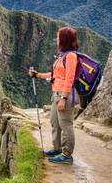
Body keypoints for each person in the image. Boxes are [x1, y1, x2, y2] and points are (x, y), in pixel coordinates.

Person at [28, 27, 78, 165]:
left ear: (64, 39)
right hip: (56, 94)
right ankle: (57, 149)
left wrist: (64, 98)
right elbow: (55, 76)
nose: (56, 39)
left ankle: (67, 154)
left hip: (64, 95)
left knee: (66, 124)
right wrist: (38, 75)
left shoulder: (71, 56)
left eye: (58, 37)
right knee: (55, 123)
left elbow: (69, 79)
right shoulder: (62, 56)